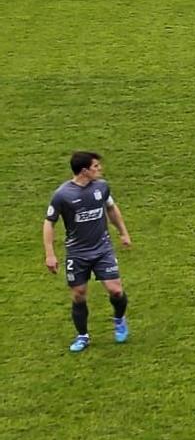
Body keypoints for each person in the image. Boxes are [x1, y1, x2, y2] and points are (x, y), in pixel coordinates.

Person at [42, 151, 134, 353]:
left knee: (116, 290)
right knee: (79, 295)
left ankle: (119, 319)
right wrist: (50, 254)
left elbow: (111, 208)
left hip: (103, 249)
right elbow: (49, 223)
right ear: (84, 171)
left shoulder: (101, 187)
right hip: (77, 253)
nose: (99, 169)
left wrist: (123, 233)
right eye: (95, 166)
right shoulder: (62, 195)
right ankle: (82, 336)